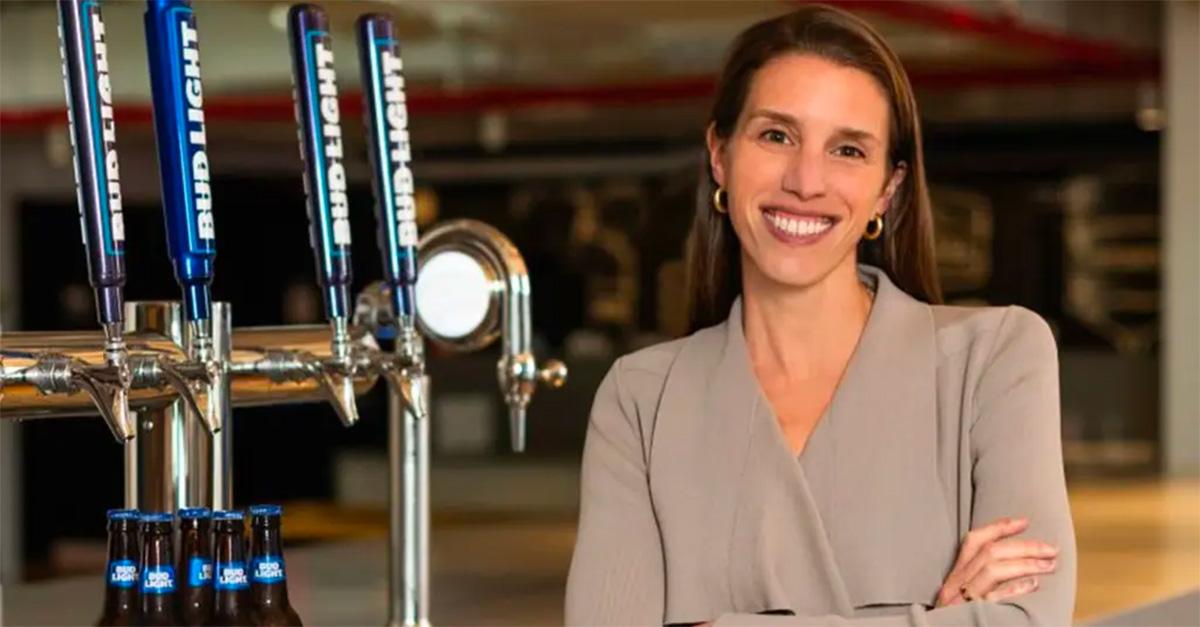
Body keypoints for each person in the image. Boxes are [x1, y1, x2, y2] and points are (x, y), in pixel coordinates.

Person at [564, 5, 1076, 626]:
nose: (806, 181)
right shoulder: (641, 400)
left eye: (848, 150)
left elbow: (1027, 621)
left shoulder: (995, 358)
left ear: (887, 190)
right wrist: (939, 615)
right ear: (720, 155)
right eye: (776, 136)